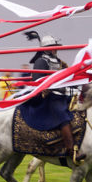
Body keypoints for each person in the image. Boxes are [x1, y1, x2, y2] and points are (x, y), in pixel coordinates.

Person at [23, 31, 80, 164]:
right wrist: (47, 87)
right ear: (48, 48)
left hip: (61, 94)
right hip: (49, 97)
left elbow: (67, 73)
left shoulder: (58, 61)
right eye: (55, 46)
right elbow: (37, 81)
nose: (57, 49)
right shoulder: (41, 61)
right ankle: (71, 150)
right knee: (63, 117)